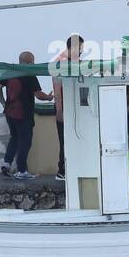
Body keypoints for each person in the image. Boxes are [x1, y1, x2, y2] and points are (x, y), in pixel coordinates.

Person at [0, 51, 52, 180]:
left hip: (10, 113)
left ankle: (6, 164)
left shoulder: (10, 72)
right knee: (25, 142)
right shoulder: (29, 75)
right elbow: (38, 94)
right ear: (28, 62)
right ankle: (21, 170)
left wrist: (4, 103)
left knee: (14, 138)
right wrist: (49, 97)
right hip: (24, 114)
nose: (34, 64)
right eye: (32, 61)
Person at [51, 34, 84, 182]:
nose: (82, 50)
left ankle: (75, 167)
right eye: (81, 47)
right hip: (64, 108)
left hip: (76, 108)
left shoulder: (77, 62)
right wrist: (59, 111)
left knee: (76, 139)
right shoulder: (60, 63)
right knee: (65, 140)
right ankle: (62, 171)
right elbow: (57, 90)